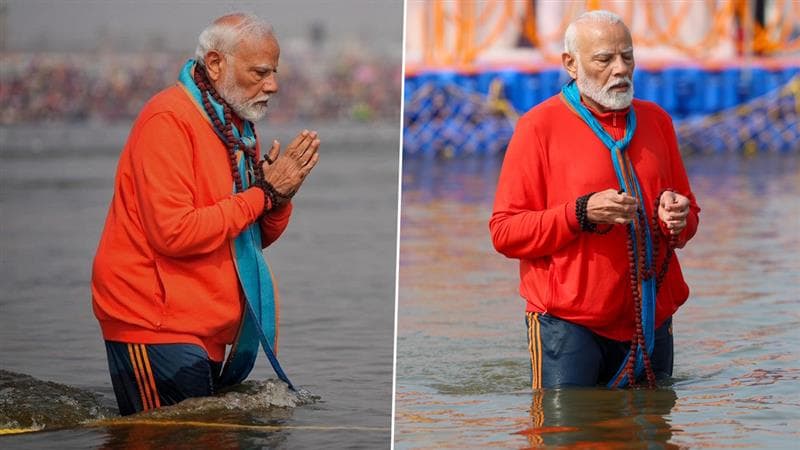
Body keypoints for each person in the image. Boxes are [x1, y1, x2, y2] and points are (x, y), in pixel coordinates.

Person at [91, 13, 320, 415]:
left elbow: (246, 236)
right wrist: (263, 194)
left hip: (206, 326)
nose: (274, 85)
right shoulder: (169, 119)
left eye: (275, 72)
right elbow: (174, 233)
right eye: (261, 72)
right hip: (153, 322)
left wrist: (278, 199)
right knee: (174, 439)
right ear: (216, 64)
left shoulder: (235, 124)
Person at [489, 10, 700, 389]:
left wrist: (677, 216)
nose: (621, 69)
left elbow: (688, 219)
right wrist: (580, 213)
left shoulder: (658, 122)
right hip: (568, 326)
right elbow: (504, 232)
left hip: (651, 319)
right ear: (571, 64)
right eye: (604, 59)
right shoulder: (537, 127)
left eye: (627, 56)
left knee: (654, 433)